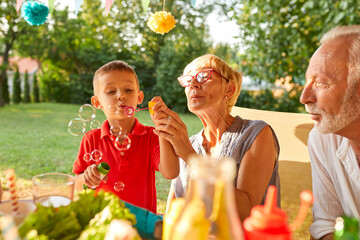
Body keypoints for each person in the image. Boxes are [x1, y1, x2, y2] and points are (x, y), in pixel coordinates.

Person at [150, 54, 280, 221]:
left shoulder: (256, 133)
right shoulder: (188, 143)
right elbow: (172, 214)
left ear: (229, 89)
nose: (194, 84)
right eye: (188, 80)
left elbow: (247, 210)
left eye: (204, 76)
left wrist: (190, 157)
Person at [72, 60, 179, 213]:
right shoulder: (91, 139)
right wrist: (87, 178)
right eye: (110, 91)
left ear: (139, 98)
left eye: (128, 90)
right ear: (97, 102)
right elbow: (77, 186)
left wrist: (161, 127)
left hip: (141, 226)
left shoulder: (151, 136)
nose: (121, 95)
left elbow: (171, 172)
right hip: (103, 222)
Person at [299, 25, 360, 240]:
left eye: (321, 83)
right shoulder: (322, 139)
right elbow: (326, 224)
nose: (304, 97)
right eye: (307, 81)